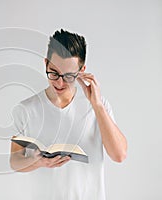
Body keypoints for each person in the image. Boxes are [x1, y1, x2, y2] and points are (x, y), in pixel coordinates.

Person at [9, 29, 127, 200]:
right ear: (46, 63)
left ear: (82, 71)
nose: (60, 82)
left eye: (69, 76)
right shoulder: (26, 109)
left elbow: (119, 155)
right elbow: (15, 161)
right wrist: (39, 161)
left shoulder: (98, 107)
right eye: (54, 73)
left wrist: (97, 105)